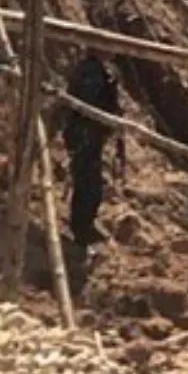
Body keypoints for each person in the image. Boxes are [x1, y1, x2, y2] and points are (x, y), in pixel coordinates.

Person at [60, 55, 124, 246]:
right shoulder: (91, 73)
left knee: (90, 184)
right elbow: (84, 109)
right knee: (88, 185)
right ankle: (81, 230)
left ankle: (83, 227)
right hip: (85, 137)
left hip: (90, 137)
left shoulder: (99, 72)